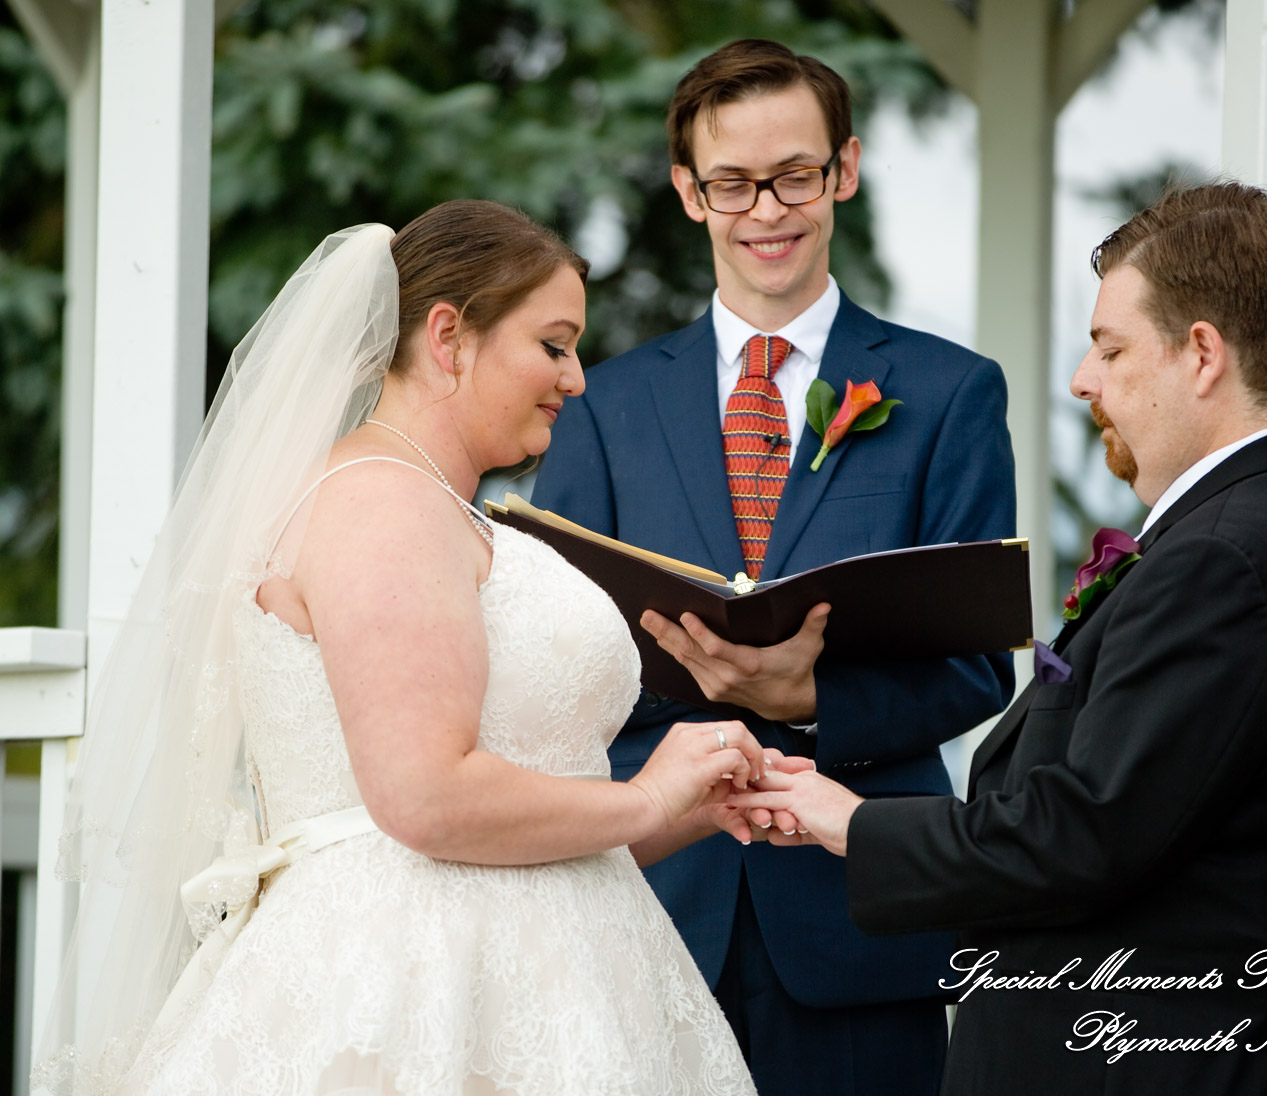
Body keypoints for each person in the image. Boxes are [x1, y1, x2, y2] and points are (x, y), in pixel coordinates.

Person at [31, 200, 777, 1095]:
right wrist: (648, 798)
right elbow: (423, 796)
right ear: (449, 335)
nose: (577, 379)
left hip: (545, 980)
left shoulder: (436, 507)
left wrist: (677, 808)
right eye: (553, 344)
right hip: (416, 987)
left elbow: (498, 808)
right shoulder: (381, 503)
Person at [733, 182, 1267, 1094]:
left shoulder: (1230, 559)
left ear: (1202, 354)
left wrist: (854, 825)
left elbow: (1086, 833)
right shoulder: (1263, 528)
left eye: (1111, 348)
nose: (1084, 379)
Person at [532, 38, 1017, 1096]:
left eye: (794, 175)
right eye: (733, 183)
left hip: (855, 923)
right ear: (688, 192)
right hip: (650, 903)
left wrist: (813, 698)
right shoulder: (601, 406)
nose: (767, 210)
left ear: (843, 170)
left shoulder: (949, 393)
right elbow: (557, 652)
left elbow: (983, 668)